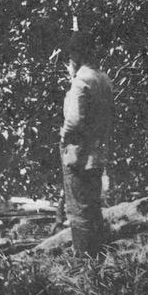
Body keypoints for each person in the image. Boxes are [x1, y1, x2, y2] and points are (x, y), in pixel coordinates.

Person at [59, 27, 114, 257]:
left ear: (76, 56)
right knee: (92, 207)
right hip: (97, 151)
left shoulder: (81, 82)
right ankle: (97, 259)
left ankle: (84, 261)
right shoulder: (103, 78)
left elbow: (74, 121)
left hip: (79, 154)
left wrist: (63, 136)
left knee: (78, 209)